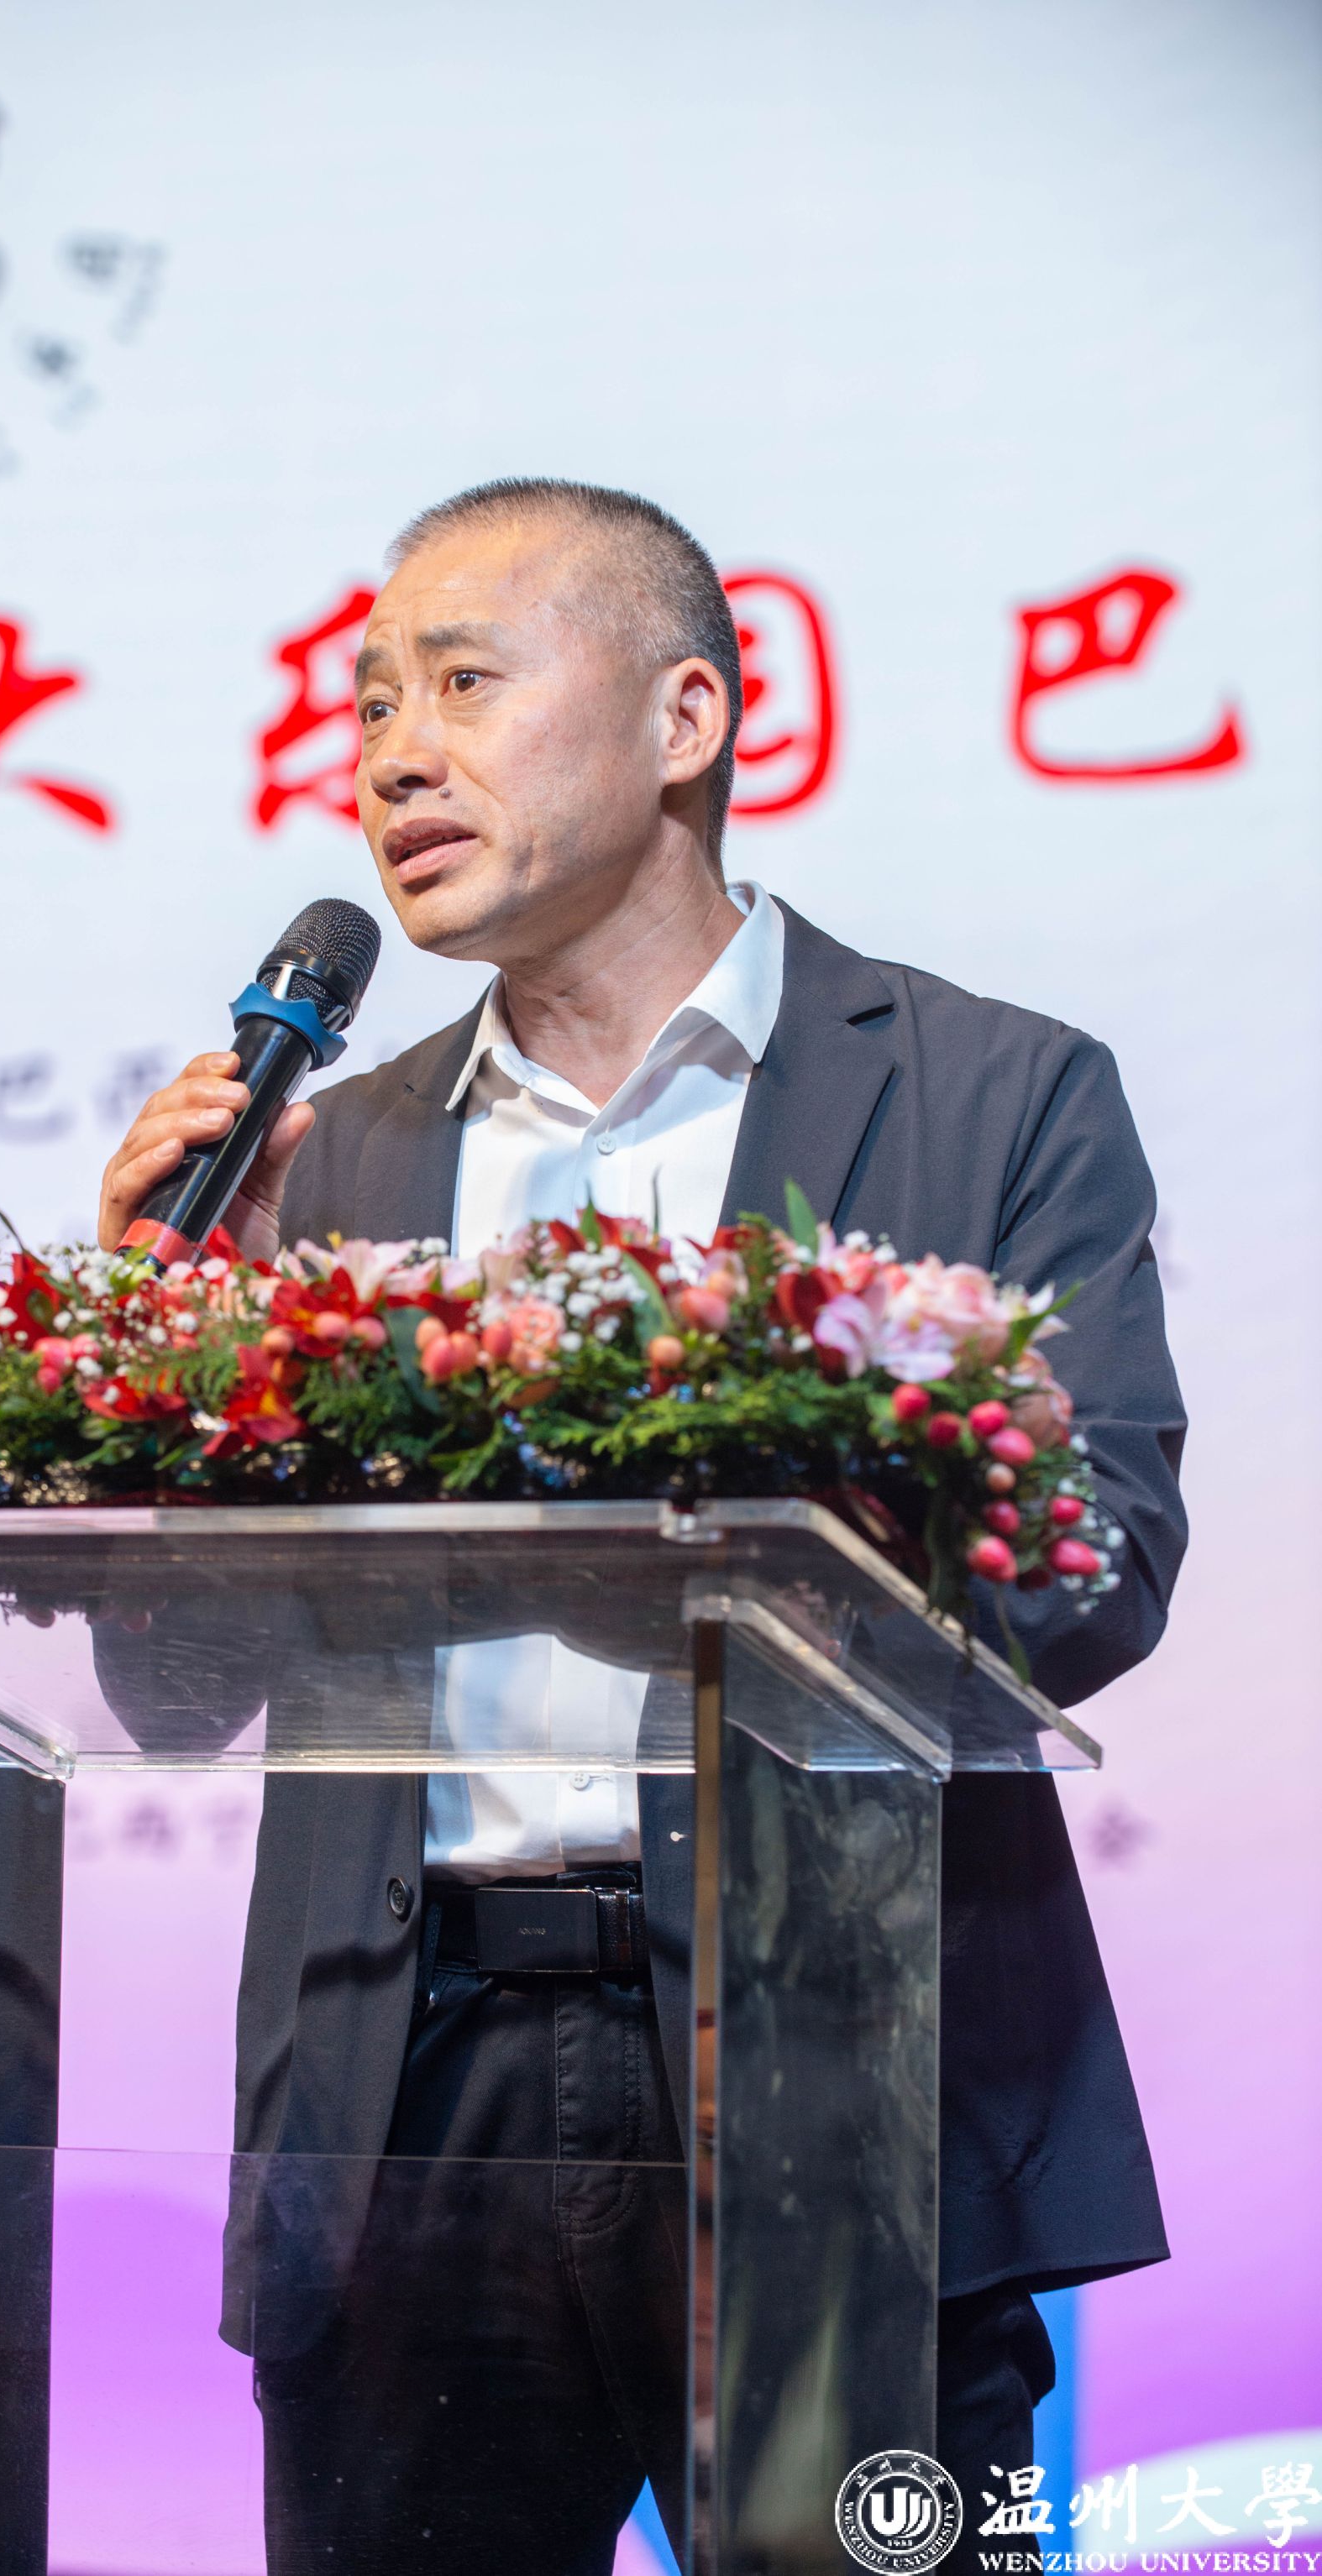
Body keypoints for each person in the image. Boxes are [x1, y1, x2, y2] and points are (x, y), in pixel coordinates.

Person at [98, 479, 1188, 2576]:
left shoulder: (988, 1092)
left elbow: (1098, 1565)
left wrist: (720, 1530)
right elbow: (166, 1683)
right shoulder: (326, 1163)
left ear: (684, 717)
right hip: (404, 2097)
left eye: (463, 683)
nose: (391, 756)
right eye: (367, 706)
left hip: (838, 2070)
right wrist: (161, 1353)